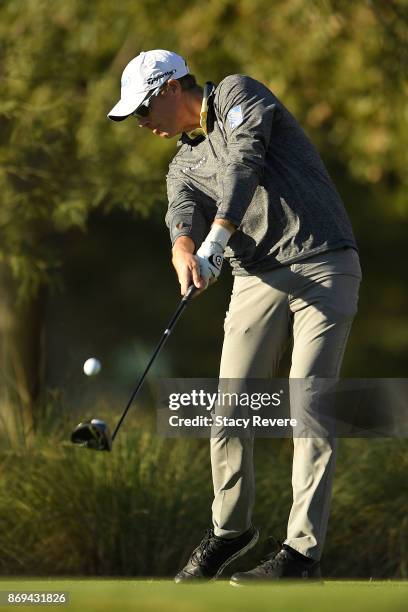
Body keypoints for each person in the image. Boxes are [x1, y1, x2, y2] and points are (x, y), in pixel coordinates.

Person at [108, 49, 362, 585]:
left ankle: (301, 555)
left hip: (323, 260)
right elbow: (180, 211)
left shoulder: (238, 95)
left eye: (142, 111)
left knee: (308, 401)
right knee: (229, 408)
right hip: (257, 278)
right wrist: (183, 251)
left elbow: (245, 161)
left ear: (170, 89)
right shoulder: (182, 163)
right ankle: (229, 531)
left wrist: (216, 241)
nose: (142, 124)